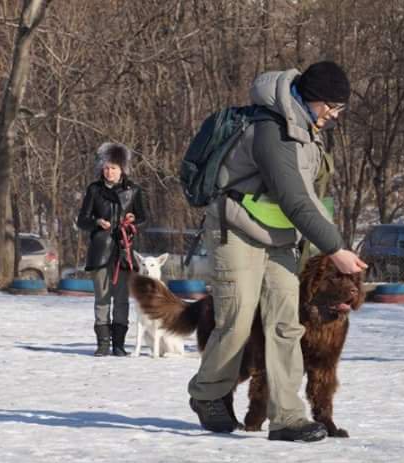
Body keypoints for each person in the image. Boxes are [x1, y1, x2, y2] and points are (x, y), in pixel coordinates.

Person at [187, 61, 368, 442]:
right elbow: (294, 197)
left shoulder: (307, 130)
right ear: (314, 99)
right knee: (237, 321)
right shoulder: (271, 129)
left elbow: (312, 196)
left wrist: (332, 242)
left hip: (282, 238)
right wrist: (335, 249)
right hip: (236, 228)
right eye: (333, 107)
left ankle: (287, 418)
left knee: (287, 325)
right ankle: (206, 393)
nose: (335, 116)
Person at [77, 142, 147, 357]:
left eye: (113, 168)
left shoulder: (134, 190)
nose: (109, 172)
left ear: (122, 169)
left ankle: (119, 343)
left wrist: (134, 219)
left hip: (124, 251)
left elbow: (143, 217)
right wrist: (97, 222)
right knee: (102, 298)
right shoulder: (94, 190)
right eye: (106, 167)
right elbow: (82, 220)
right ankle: (103, 343)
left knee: (122, 299)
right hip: (100, 251)